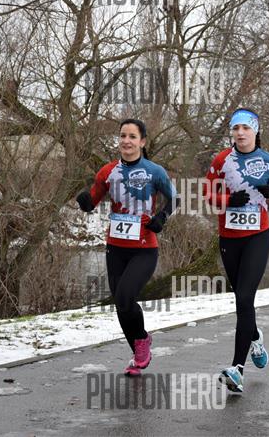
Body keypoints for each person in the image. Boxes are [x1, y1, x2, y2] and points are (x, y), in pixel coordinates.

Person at [76, 119, 176, 376]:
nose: (126, 141)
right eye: (123, 135)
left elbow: (175, 198)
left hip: (144, 248)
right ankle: (139, 351)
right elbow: (92, 201)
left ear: (142, 142)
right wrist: (84, 202)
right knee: (121, 304)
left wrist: (162, 217)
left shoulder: (154, 171)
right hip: (116, 247)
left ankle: (141, 342)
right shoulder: (107, 171)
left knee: (125, 295)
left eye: (132, 136)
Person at [203, 108, 269, 393]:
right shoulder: (221, 160)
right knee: (242, 301)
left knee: (244, 297)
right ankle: (255, 337)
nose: (240, 133)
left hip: (257, 237)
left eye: (245, 128)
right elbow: (207, 194)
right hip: (229, 238)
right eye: (236, 128)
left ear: (255, 131)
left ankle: (237, 369)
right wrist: (228, 200)